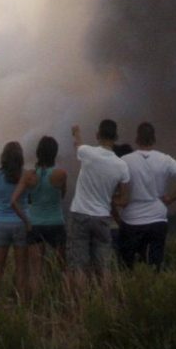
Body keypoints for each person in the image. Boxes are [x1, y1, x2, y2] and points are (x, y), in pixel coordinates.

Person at [117, 122, 176, 270]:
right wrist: (170, 198)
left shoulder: (125, 161)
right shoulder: (164, 160)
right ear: (153, 139)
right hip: (157, 220)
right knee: (154, 267)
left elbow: (115, 188)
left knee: (128, 268)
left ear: (137, 139)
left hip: (131, 221)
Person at [66, 119, 132, 281]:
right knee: (105, 268)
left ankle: (81, 305)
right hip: (102, 218)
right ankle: (106, 304)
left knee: (79, 266)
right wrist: (107, 199)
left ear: (97, 135)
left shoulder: (87, 153)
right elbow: (124, 200)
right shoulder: (122, 166)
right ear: (116, 137)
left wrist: (76, 131)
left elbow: (78, 144)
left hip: (80, 214)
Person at [17, 134, 69, 296]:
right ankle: (67, 302)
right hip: (56, 223)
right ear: (55, 153)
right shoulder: (61, 174)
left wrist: (25, 220)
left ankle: (35, 306)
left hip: (35, 225)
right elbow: (62, 195)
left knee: (36, 271)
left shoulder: (29, 176)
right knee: (63, 267)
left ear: (38, 152)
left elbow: (16, 200)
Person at [0, 140, 30, 294]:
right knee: (21, 268)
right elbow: (31, 198)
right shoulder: (26, 176)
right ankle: (22, 307)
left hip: (0, 224)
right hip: (21, 223)